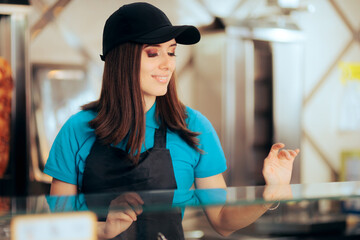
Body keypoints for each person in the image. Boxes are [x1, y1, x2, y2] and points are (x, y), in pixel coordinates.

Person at [44, 2, 300, 239]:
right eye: (154, 53)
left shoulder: (194, 127)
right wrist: (103, 230)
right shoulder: (76, 130)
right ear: (121, 60)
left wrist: (268, 195)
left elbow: (222, 220)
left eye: (172, 52)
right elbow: (57, 229)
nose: (168, 64)